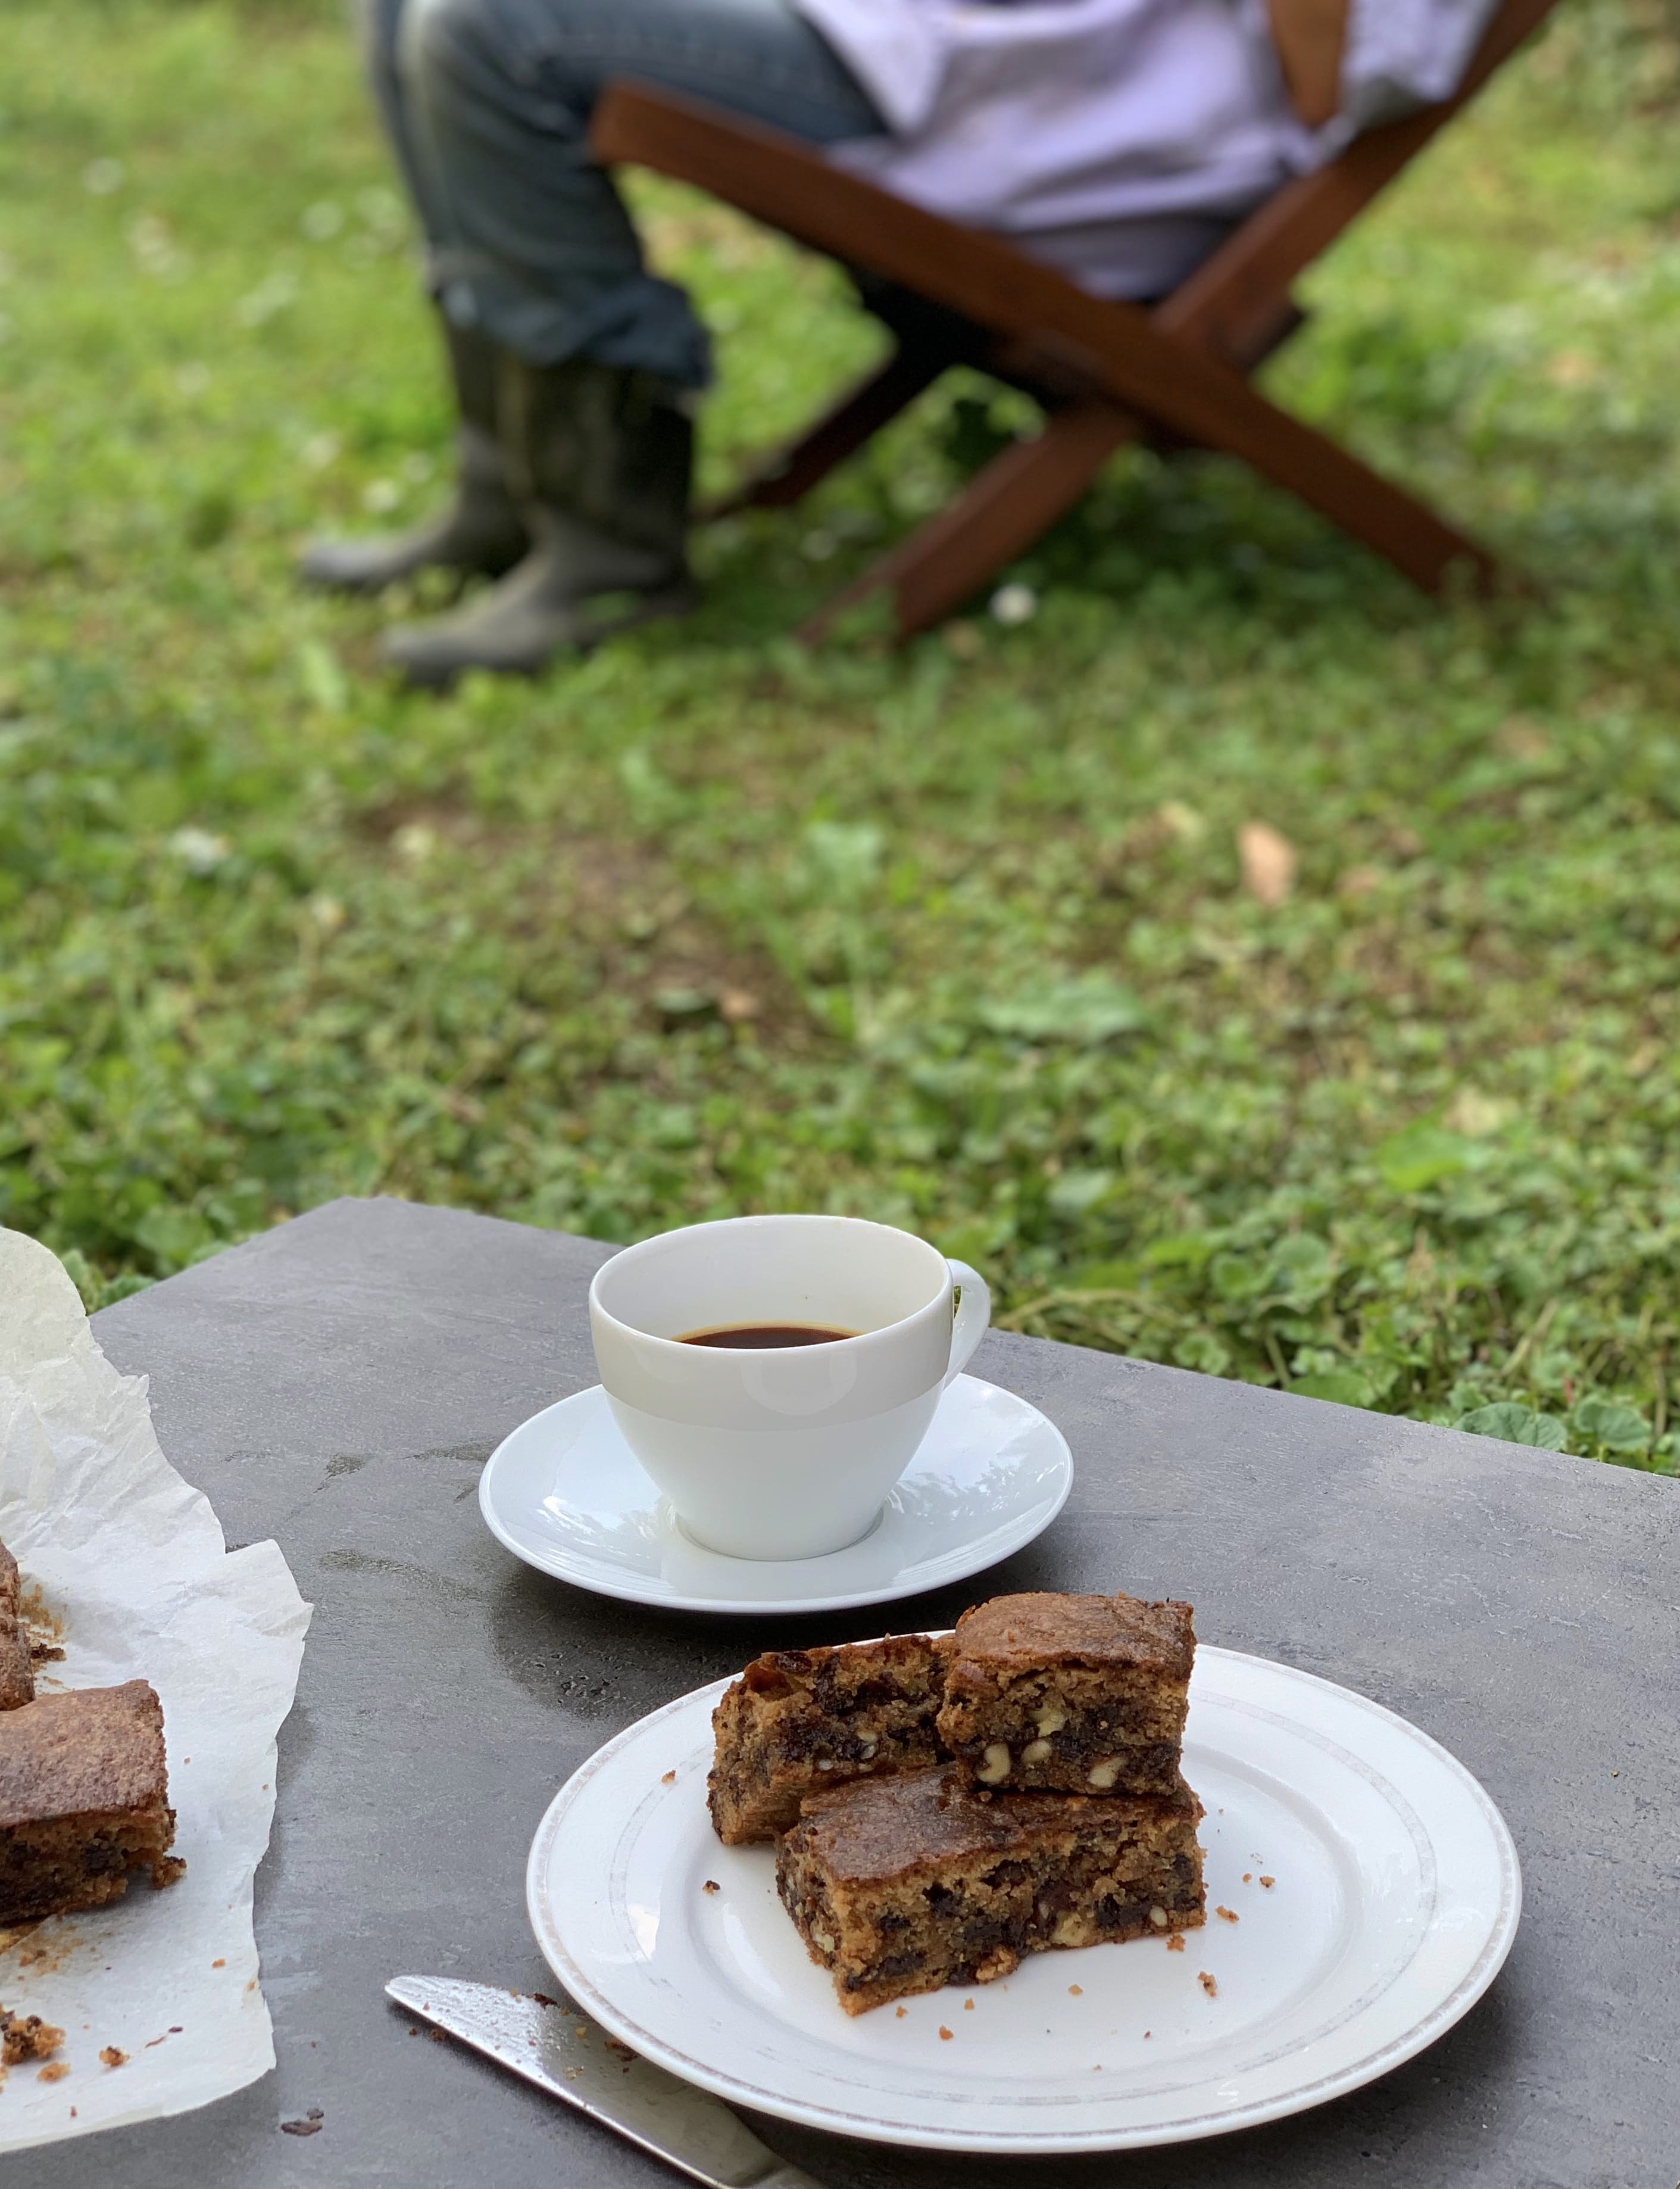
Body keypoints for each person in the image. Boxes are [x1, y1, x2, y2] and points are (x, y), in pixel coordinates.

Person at [304, 0, 1501, 685]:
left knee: (489, 31)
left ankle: (605, 546)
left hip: (1065, 116)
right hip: (937, 39)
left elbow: (1350, 73)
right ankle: (508, 484)